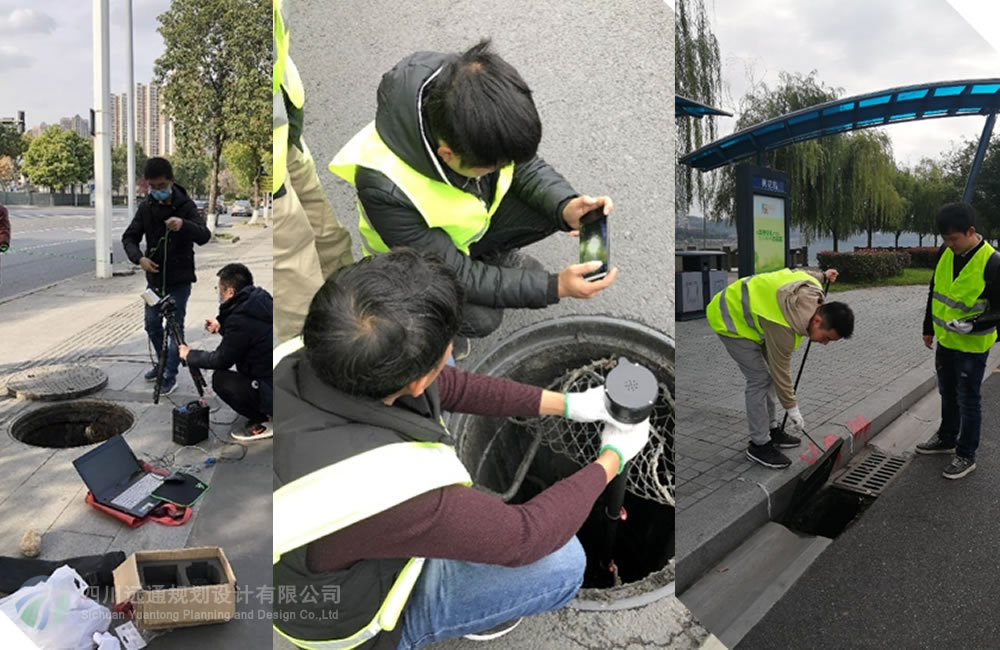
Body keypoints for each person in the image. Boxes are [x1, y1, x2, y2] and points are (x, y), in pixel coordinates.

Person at [272, 249, 649, 649]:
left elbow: (450, 386)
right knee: (564, 563)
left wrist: (568, 405)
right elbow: (527, 536)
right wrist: (613, 458)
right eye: (447, 344)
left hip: (323, 555)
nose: (451, 348)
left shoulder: (315, 354)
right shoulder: (391, 489)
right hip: (344, 619)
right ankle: (464, 611)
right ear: (415, 383)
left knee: (438, 367)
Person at [328, 39, 617, 358]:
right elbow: (455, 272)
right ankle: (440, 324)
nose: (504, 168)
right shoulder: (384, 186)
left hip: (463, 230)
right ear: (447, 154)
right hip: (417, 263)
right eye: (494, 165)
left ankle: (493, 258)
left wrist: (566, 205)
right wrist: (554, 287)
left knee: (547, 211)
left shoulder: (463, 95)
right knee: (482, 318)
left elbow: (524, 165)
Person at [706, 267, 854, 469]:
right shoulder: (784, 327)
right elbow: (781, 374)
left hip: (757, 317)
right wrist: (793, 410)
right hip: (730, 317)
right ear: (818, 320)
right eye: (826, 338)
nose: (825, 343)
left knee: (768, 379)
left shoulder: (813, 290)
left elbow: (801, 273)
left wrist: (824, 275)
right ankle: (759, 445)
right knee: (760, 380)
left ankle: (771, 429)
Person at [272, 0, 354, 342]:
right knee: (297, 284)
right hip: (270, 171)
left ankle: (360, 331)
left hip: (286, 126)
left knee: (330, 242)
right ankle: (315, 370)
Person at [915, 202, 1000, 479]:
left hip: (972, 347)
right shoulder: (946, 252)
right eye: (945, 239)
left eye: (954, 239)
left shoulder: (993, 262)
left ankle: (966, 454)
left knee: (968, 399)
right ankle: (947, 437)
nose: (949, 244)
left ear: (971, 231)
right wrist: (928, 326)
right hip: (946, 342)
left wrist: (974, 324)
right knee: (947, 392)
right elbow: (935, 289)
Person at [122, 157, 211, 396]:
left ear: (171, 181)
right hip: (154, 282)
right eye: (153, 187)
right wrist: (139, 259)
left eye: (161, 186)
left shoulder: (186, 206)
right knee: (151, 325)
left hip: (179, 280)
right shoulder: (146, 207)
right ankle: (162, 363)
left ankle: (169, 373)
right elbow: (129, 237)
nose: (157, 192)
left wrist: (184, 225)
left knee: (175, 328)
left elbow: (204, 235)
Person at [178, 263, 273, 441]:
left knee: (221, 380)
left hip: (271, 388)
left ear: (230, 292)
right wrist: (222, 326)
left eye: (219, 289)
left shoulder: (240, 320)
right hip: (278, 378)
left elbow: (221, 359)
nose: (218, 294)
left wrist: (190, 355)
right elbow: (249, 333)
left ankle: (266, 418)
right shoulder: (259, 300)